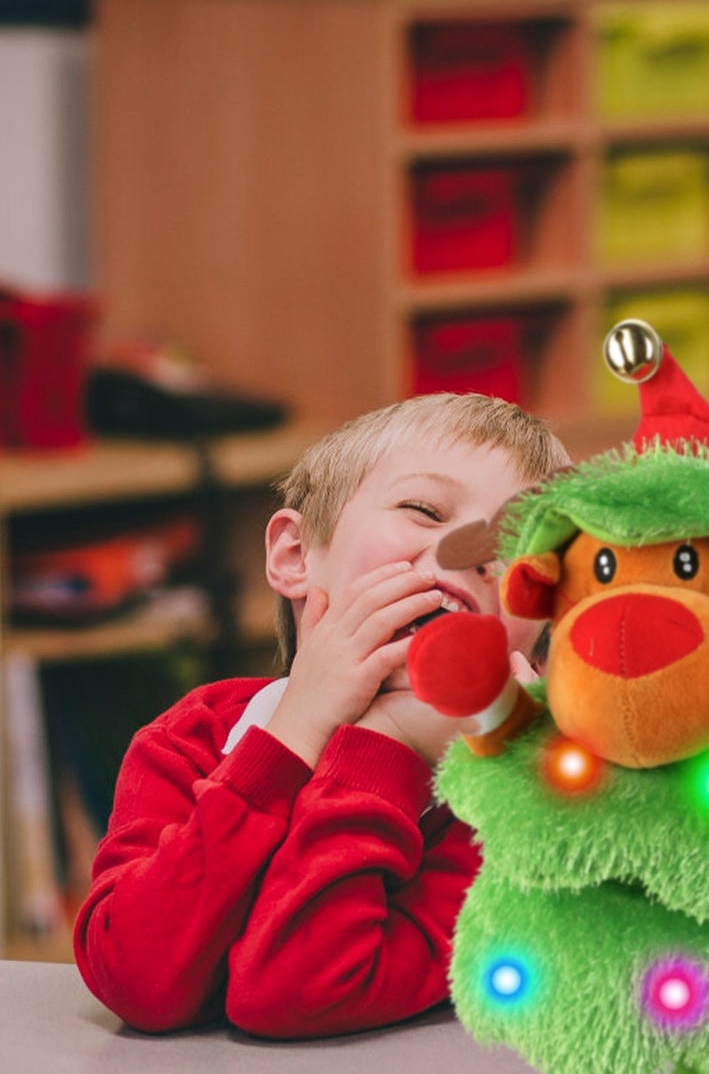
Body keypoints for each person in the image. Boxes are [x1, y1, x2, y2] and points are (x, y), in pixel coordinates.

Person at [73, 392, 570, 1037]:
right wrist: (293, 735)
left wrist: (384, 745)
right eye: (424, 509)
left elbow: (296, 992)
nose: (478, 551)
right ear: (295, 555)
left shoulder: (521, 809)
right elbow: (135, 978)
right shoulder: (191, 738)